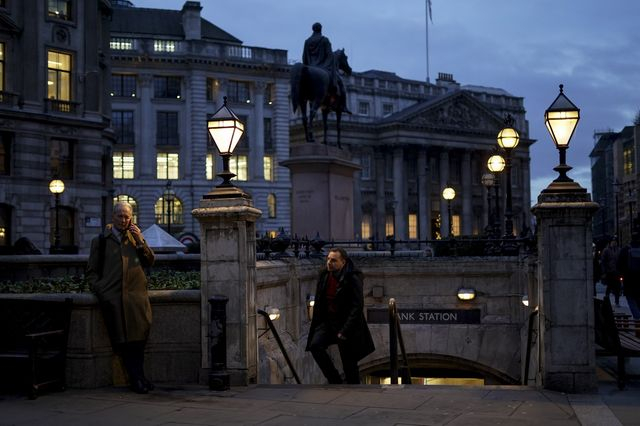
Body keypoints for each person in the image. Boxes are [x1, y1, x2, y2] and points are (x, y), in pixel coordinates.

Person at [86, 202, 155, 393]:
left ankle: (140, 378)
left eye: (127, 217)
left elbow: (150, 261)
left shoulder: (134, 238)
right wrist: (102, 291)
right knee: (123, 341)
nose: (123, 220)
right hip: (114, 298)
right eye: (120, 216)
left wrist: (140, 239)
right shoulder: (100, 240)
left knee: (139, 339)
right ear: (113, 216)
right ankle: (136, 380)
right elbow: (91, 272)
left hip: (136, 298)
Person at [306, 248, 375, 384]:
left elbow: (357, 306)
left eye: (333, 260)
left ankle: (353, 390)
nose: (329, 263)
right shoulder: (325, 275)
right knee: (315, 346)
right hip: (328, 322)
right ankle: (334, 380)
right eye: (328, 259)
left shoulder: (353, 277)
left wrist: (344, 331)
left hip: (346, 324)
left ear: (343, 262)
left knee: (349, 363)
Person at [302, 22, 351, 114]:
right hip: (323, 67)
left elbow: (304, 56)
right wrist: (330, 67)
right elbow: (330, 56)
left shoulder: (307, 41)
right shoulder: (325, 40)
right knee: (340, 84)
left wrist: (307, 67)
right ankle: (343, 106)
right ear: (321, 29)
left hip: (310, 67)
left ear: (313, 29)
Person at [617, 232, 640, 319]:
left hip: (628, 280)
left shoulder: (625, 250)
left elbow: (618, 265)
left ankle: (638, 320)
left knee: (631, 300)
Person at [600, 238, 621, 306]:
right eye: (613, 242)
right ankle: (606, 299)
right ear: (610, 243)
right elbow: (603, 261)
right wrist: (604, 272)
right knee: (609, 286)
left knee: (617, 287)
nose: (614, 243)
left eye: (615, 242)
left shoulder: (619, 250)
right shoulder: (606, 250)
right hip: (609, 272)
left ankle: (617, 301)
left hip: (617, 271)